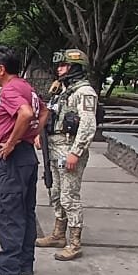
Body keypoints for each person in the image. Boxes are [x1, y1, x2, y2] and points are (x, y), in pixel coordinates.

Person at [0, 47, 49, 275]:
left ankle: (8, 269)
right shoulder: (26, 87)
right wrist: (30, 134)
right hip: (27, 156)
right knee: (26, 211)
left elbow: (27, 113)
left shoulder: (10, 90)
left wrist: (10, 143)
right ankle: (25, 263)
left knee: (9, 213)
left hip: (12, 158)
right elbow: (44, 111)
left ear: (1, 69)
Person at [35, 49, 98, 261]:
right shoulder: (63, 90)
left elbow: (88, 126)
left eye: (64, 66)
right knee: (55, 193)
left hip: (69, 150)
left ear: (75, 68)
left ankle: (74, 242)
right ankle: (58, 234)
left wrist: (76, 152)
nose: (59, 69)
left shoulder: (84, 92)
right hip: (55, 147)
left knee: (69, 197)